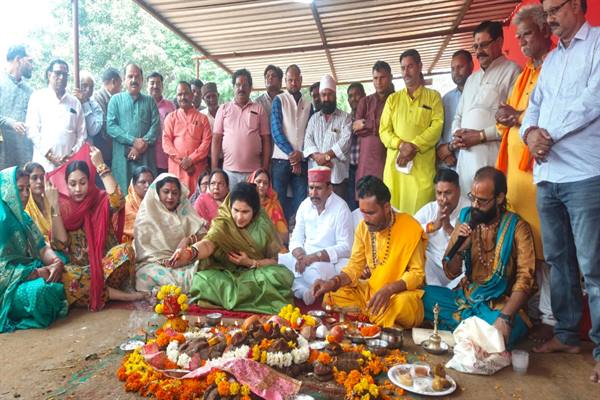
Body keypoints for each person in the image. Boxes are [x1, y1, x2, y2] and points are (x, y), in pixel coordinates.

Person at [520, 0, 600, 382]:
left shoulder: (597, 44)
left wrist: (547, 134)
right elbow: (533, 106)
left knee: (593, 266)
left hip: (585, 173)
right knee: (558, 261)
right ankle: (567, 335)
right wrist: (529, 134)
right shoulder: (551, 60)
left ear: (577, 6)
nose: (549, 17)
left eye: (555, 9)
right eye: (547, 11)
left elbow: (593, 100)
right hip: (548, 174)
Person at [494, 4, 555, 341]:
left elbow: (550, 119)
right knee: (523, 250)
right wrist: (506, 116)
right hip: (516, 180)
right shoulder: (525, 74)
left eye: (527, 34)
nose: (522, 42)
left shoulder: (555, 67)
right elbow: (515, 119)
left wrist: (516, 117)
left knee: (547, 252)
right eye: (518, 37)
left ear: (545, 30)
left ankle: (550, 319)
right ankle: (529, 314)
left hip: (541, 177)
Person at [423, 167, 535, 347]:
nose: (475, 205)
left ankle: (466, 330)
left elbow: (525, 279)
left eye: (482, 201)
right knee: (422, 297)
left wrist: (505, 317)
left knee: (505, 329)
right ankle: (474, 332)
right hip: (466, 297)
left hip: (498, 305)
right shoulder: (466, 217)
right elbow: (450, 272)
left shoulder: (517, 227)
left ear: (499, 198)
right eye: (472, 198)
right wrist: (460, 250)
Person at [311, 176, 426, 328]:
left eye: (371, 213)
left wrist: (389, 289)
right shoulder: (363, 228)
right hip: (370, 293)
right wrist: (332, 282)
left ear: (386, 207)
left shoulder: (410, 227)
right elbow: (354, 267)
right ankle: (378, 317)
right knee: (334, 293)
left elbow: (417, 274)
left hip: (398, 294)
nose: (365, 219)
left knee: (404, 305)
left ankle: (371, 316)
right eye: (363, 212)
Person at [45, 144, 145, 311]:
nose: (78, 189)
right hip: (83, 273)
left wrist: (100, 165)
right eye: (72, 184)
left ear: (90, 181)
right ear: (66, 185)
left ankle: (100, 291)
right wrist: (54, 205)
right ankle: (119, 295)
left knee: (125, 251)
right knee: (66, 276)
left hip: (108, 269)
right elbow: (60, 244)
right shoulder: (63, 208)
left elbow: (118, 201)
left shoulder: (99, 200)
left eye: (82, 182)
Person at [172, 182, 294, 314]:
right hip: (225, 274)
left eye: (245, 212)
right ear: (230, 207)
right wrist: (190, 252)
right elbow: (208, 244)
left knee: (281, 276)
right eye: (236, 210)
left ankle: (226, 299)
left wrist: (250, 262)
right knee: (200, 280)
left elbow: (273, 261)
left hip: (256, 273)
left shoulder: (263, 225)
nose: (239, 217)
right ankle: (251, 299)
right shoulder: (223, 223)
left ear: (255, 210)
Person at [452, 21, 521, 194]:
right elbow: (458, 116)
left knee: (491, 202)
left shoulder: (513, 71)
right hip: (465, 160)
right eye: (475, 46)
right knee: (467, 204)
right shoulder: (471, 79)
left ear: (499, 42)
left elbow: (513, 120)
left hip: (492, 158)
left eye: (484, 45)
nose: (479, 51)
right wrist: (457, 134)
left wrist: (480, 136)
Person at [0, 166, 68, 333]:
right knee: (40, 292)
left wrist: (55, 262)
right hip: (8, 290)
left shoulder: (24, 218)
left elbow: (42, 248)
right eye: (20, 189)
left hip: (29, 272)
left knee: (63, 261)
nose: (25, 194)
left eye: (27, 189)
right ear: (6, 191)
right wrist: (35, 273)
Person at [380, 49, 444, 214]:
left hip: (421, 171)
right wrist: (401, 145)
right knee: (394, 217)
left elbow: (437, 127)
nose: (406, 72)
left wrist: (414, 145)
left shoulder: (433, 97)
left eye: (410, 67)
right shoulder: (393, 99)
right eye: (403, 68)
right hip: (395, 171)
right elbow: (384, 131)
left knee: (421, 218)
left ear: (420, 66)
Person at [279, 166, 353, 305]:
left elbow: (346, 247)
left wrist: (314, 257)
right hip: (303, 257)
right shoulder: (305, 205)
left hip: (326, 262)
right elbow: (296, 237)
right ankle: (302, 291)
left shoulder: (341, 208)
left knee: (313, 273)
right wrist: (301, 256)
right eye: (311, 188)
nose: (313, 193)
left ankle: (300, 287)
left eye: (318, 188)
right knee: (278, 262)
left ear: (329, 188)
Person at [134, 174, 208, 293]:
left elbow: (206, 237)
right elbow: (144, 254)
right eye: (166, 192)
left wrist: (188, 240)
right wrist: (165, 263)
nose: (170, 197)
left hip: (186, 263)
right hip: (156, 265)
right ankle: (175, 291)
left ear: (179, 195)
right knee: (143, 277)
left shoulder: (185, 211)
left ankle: (169, 291)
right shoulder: (146, 216)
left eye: (174, 193)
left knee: (207, 264)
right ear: (157, 193)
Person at [211, 69, 271, 188]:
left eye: (245, 85)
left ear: (250, 88)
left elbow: (266, 141)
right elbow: (216, 139)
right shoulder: (224, 109)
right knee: (231, 200)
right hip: (229, 172)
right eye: (238, 85)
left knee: (252, 200)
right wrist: (214, 169)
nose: (241, 88)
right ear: (233, 87)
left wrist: (264, 169)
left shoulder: (259, 109)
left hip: (254, 172)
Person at [107, 63, 160, 192]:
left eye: (137, 77)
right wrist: (133, 141)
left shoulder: (150, 101)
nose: (134, 80)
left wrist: (140, 146)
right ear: (124, 79)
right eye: (130, 76)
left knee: (146, 195)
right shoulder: (115, 100)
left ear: (142, 80)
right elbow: (111, 127)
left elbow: (155, 127)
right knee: (122, 194)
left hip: (145, 159)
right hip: (122, 160)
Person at [26, 59, 86, 172]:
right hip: (43, 165)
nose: (61, 77)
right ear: (49, 75)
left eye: (65, 75)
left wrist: (72, 154)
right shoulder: (38, 97)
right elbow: (32, 130)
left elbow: (82, 134)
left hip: (69, 165)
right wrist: (49, 155)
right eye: (58, 73)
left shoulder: (74, 102)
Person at [414, 168, 469, 287]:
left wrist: (448, 228)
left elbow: (474, 244)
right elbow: (408, 230)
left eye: (448, 193)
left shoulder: (469, 210)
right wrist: (432, 226)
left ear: (458, 191)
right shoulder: (430, 209)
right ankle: (435, 291)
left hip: (460, 270)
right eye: (439, 193)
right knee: (417, 252)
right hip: (433, 268)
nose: (443, 199)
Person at [270, 64, 312, 221]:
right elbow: (276, 131)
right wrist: (292, 155)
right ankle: (281, 234)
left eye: (296, 80)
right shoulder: (279, 100)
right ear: (285, 82)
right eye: (290, 80)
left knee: (301, 201)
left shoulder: (308, 104)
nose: (293, 83)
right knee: (279, 201)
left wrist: (300, 155)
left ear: (301, 80)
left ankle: (297, 232)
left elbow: (310, 133)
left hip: (301, 160)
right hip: (281, 160)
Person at [304, 74, 352, 199]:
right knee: (317, 207)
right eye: (323, 95)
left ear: (335, 95)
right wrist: (317, 158)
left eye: (330, 94)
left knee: (338, 207)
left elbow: (346, 142)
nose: (326, 98)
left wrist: (326, 157)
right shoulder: (314, 119)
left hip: (337, 176)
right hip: (316, 176)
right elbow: (308, 140)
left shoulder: (345, 118)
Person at [162, 81, 212, 193]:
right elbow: (166, 143)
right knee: (175, 197)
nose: (183, 97)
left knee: (197, 199)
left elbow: (206, 143)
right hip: (177, 169)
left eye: (186, 94)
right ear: (176, 97)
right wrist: (183, 162)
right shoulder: (171, 118)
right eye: (179, 94)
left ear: (192, 95)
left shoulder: (202, 118)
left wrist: (191, 160)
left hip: (196, 169)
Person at [354, 61, 395, 183]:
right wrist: (383, 128)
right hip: (365, 160)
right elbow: (356, 129)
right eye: (375, 78)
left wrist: (366, 124)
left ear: (390, 77)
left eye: (382, 77)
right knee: (364, 191)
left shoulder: (397, 101)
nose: (378, 82)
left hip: (387, 156)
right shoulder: (365, 102)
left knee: (387, 191)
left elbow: (395, 128)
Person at [436, 50, 473, 169]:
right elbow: (437, 129)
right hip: (451, 164)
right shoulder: (446, 99)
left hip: (475, 158)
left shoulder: (480, 94)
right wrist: (443, 151)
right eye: (452, 69)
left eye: (460, 67)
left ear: (471, 66)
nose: (456, 72)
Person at [0, 45, 34, 170]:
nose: (32, 66)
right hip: (4, 156)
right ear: (18, 59)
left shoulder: (30, 91)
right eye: (30, 61)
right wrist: (11, 123)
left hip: (25, 159)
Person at [247, 168, 288, 246]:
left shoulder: (273, 206)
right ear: (252, 182)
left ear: (269, 186)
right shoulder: (243, 203)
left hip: (270, 247)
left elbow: (285, 237)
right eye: (258, 182)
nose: (261, 185)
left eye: (265, 183)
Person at [147, 72, 176, 174]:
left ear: (162, 86)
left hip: (165, 158)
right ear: (147, 85)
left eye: (158, 83)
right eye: (152, 83)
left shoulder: (171, 106)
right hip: (146, 157)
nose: (155, 86)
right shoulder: (142, 105)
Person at [93, 67, 122, 167]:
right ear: (114, 82)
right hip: (104, 149)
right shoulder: (98, 97)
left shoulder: (115, 98)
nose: (121, 89)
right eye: (120, 85)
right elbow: (105, 124)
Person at [346, 82, 366, 210]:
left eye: (357, 94)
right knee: (351, 205)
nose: (354, 98)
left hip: (366, 167)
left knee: (365, 203)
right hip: (349, 169)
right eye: (350, 96)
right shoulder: (345, 119)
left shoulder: (370, 117)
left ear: (364, 96)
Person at [123, 165, 154, 242]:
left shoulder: (157, 203)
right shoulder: (126, 205)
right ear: (133, 185)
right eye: (143, 182)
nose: (148, 185)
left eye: (151, 182)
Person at [24, 162, 52, 242]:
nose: (39, 181)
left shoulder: (51, 201)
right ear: (27, 181)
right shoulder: (25, 207)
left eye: (42, 177)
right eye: (34, 178)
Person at [74, 71, 103, 140]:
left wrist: (84, 103)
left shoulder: (96, 106)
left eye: (91, 87)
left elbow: (93, 130)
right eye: (84, 85)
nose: (88, 90)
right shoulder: (69, 102)